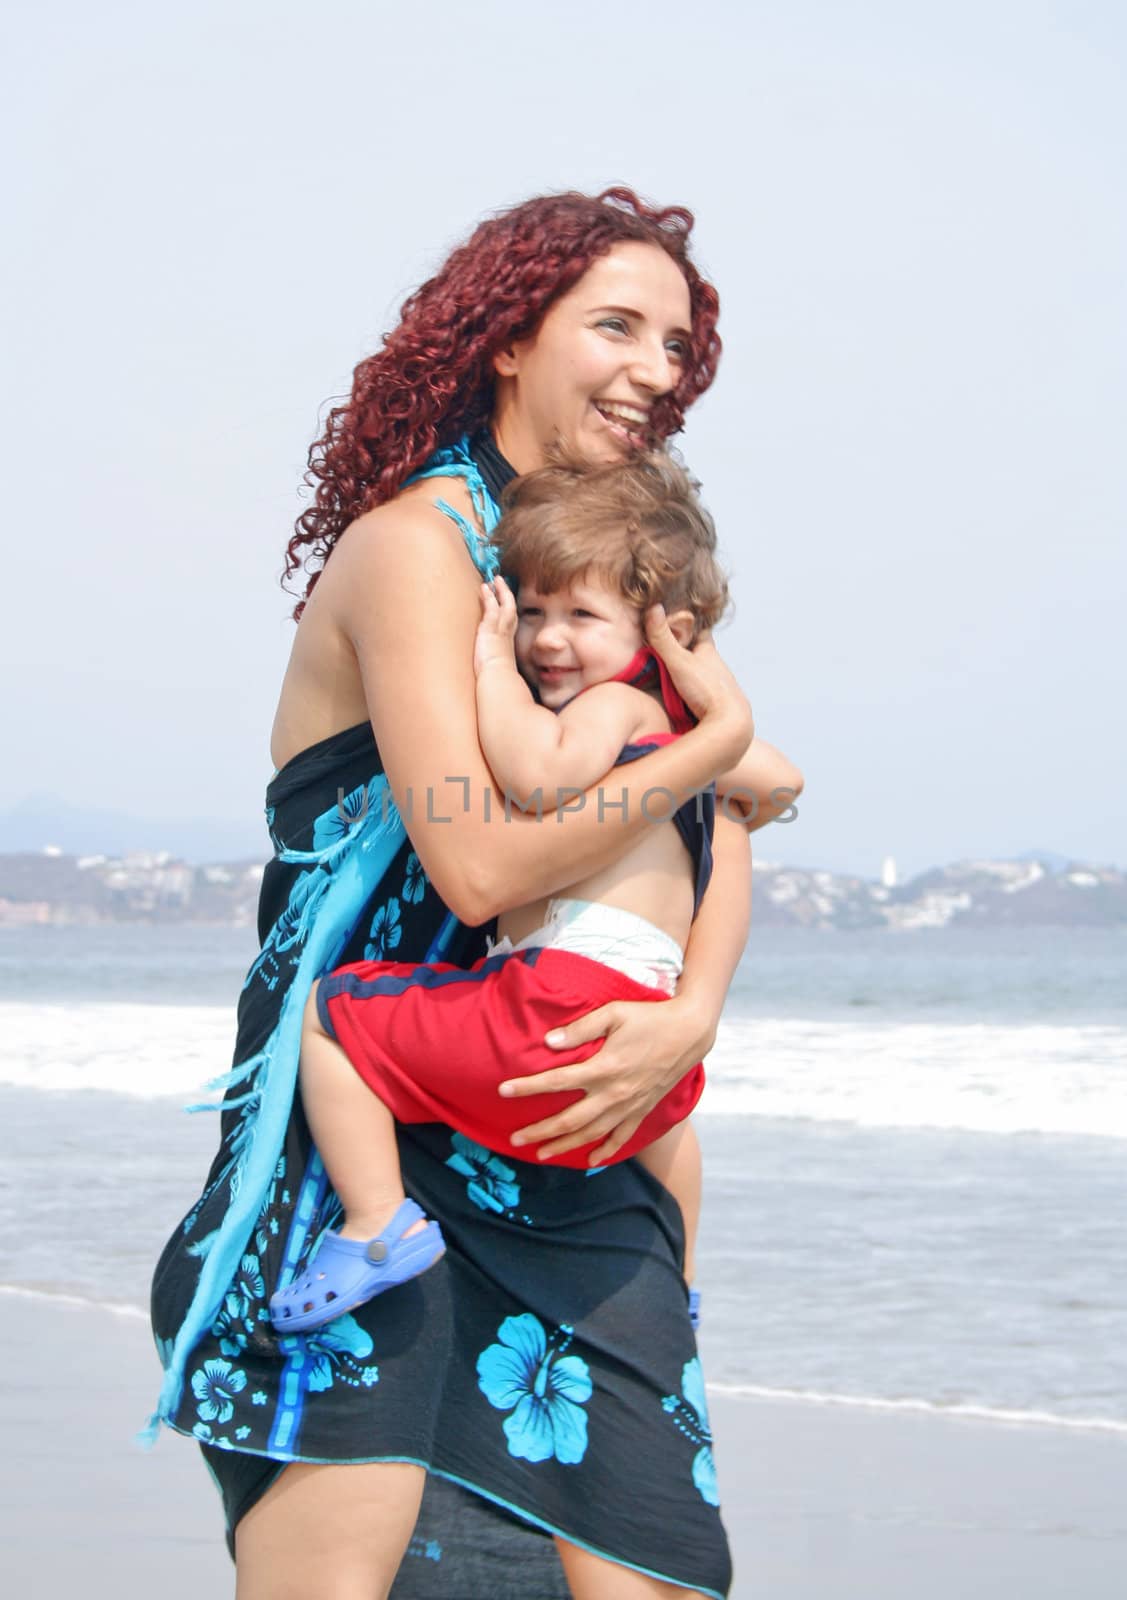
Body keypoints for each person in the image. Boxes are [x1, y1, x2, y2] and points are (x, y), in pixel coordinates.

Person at [150, 188, 802, 1600]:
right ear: (509, 335)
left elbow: (717, 830)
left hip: (568, 1133)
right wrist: (707, 743)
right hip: (364, 1164)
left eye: (675, 343)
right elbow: (476, 860)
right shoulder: (419, 551)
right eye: (614, 325)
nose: (654, 368)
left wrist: (693, 1011)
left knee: (660, 1562)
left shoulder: (592, 578)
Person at [270, 452, 746, 1337]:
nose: (549, 640)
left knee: (332, 1017)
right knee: (671, 1140)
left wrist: (489, 660)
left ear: (660, 635)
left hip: (554, 1008)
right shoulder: (686, 751)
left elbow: (533, 774)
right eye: (530, 613)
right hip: (646, 1040)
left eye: (581, 616)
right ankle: (679, 1281)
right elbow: (771, 786)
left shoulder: (616, 711)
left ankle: (377, 1224)